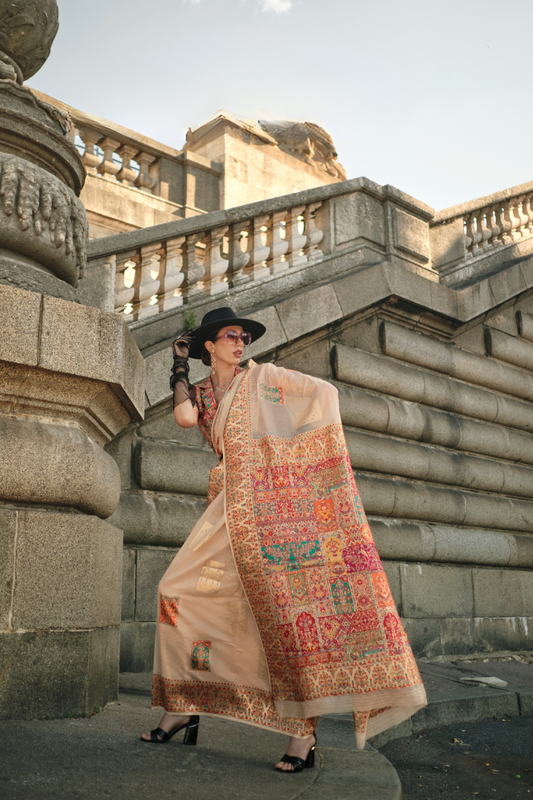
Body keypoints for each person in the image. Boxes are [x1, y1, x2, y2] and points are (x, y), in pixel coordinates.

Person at [141, 307, 426, 771]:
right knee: (176, 592)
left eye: (244, 337)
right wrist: (179, 366)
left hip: (271, 512)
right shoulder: (202, 393)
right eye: (230, 336)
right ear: (209, 345)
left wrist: (295, 471)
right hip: (226, 509)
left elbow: (324, 394)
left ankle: (302, 737)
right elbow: (185, 419)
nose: (240, 343)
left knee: (281, 614)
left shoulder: (266, 379)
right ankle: (184, 703)